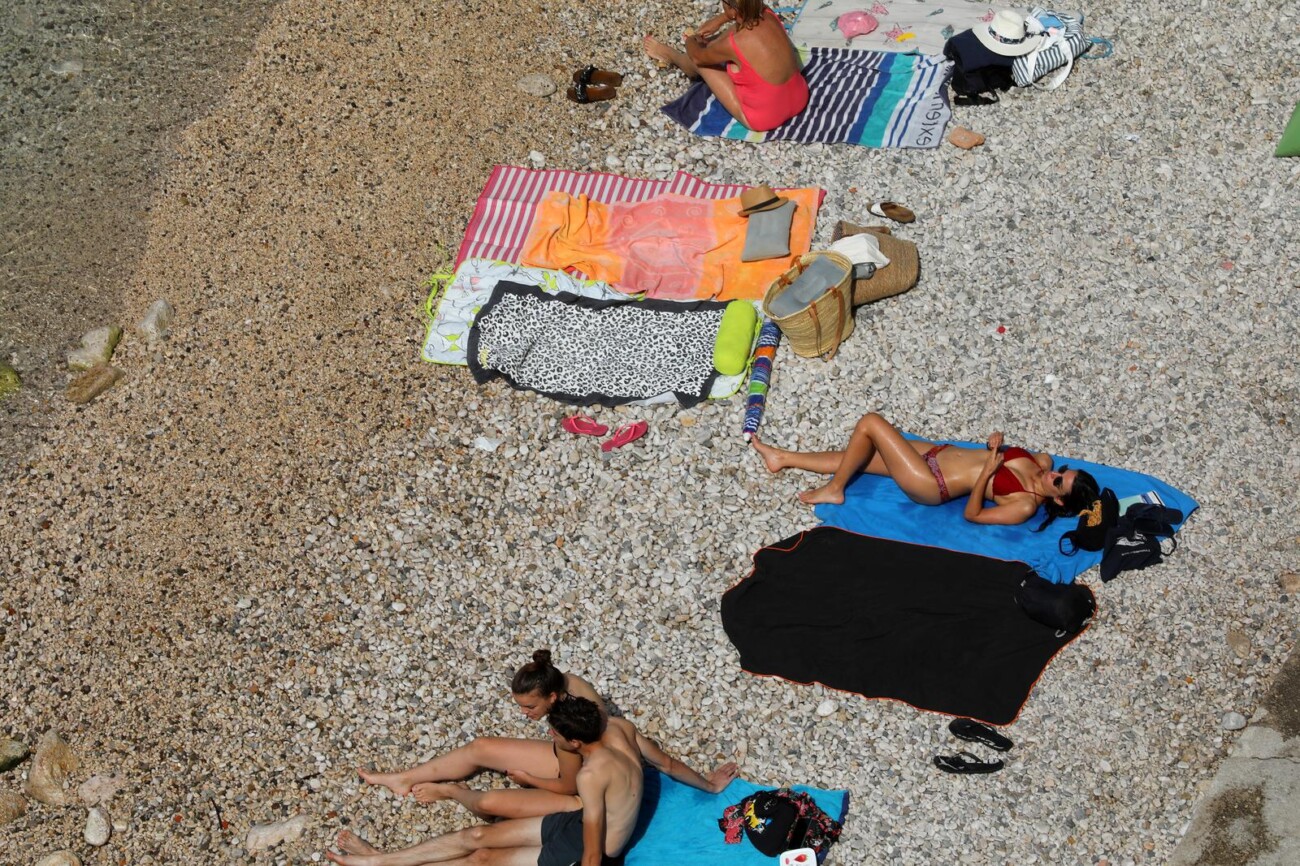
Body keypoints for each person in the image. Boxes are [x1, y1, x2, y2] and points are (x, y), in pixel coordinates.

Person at [325, 697, 640, 866]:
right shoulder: (619, 731)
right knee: (477, 835)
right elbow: (665, 762)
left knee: (482, 860)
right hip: (576, 823)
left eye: (555, 735)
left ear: (574, 742)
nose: (549, 737)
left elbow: (594, 852)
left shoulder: (591, 775)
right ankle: (382, 861)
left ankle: (377, 864)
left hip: (584, 850)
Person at [358, 650, 606, 819]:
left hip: (583, 780)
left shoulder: (567, 730)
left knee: (491, 805)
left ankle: (453, 792)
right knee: (481, 747)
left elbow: (569, 785)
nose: (524, 713)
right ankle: (404, 778)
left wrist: (528, 779)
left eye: (530, 707)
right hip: (577, 760)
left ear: (551, 697)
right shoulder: (570, 682)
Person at [751, 412, 1100, 527]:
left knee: (871, 423)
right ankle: (783, 457)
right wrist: (997, 444)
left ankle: (835, 489)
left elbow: (973, 515)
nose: (1053, 475)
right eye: (1062, 472)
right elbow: (1030, 456)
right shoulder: (1043, 463)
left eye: (1058, 483)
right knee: (859, 455)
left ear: (1056, 501)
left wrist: (986, 474)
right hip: (937, 453)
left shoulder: (1024, 505)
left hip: (933, 483)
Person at [644, 0, 809, 132]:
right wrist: (721, 19)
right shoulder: (768, 14)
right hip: (800, 97)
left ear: (731, 7)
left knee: (702, 62)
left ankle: (672, 56)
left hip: (764, 117)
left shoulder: (736, 42)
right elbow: (744, 15)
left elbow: (698, 57)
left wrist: (691, 40)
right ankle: (714, 47)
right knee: (739, 29)